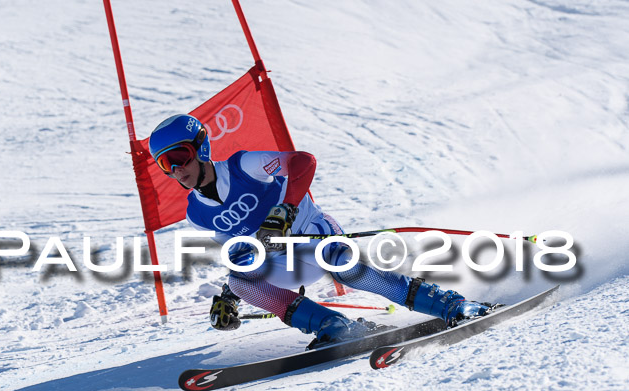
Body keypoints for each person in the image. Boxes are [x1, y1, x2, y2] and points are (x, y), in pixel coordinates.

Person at [149, 114, 493, 348]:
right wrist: (230, 297)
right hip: (283, 262)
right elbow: (239, 257)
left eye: (181, 156)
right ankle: (335, 327)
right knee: (242, 281)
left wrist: (285, 209)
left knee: (341, 262)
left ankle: (452, 305)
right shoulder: (197, 214)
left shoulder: (244, 166)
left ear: (202, 147)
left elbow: (303, 162)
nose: (177, 170)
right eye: (166, 164)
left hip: (314, 235)